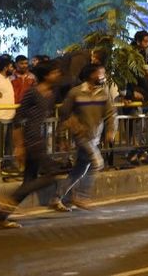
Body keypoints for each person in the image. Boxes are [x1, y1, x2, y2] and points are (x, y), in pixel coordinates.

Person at [0, 61, 62, 229]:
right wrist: (19, 146)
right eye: (55, 72)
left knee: (29, 181)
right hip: (31, 139)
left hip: (40, 139)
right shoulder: (32, 92)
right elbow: (18, 119)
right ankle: (5, 199)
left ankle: (1, 217)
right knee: (52, 173)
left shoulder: (52, 93)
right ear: (46, 75)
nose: (58, 75)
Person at [50, 64, 116, 212]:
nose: (103, 76)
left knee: (79, 169)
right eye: (101, 73)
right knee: (97, 163)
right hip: (81, 135)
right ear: (92, 74)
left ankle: (56, 197)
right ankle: (80, 196)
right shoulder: (75, 93)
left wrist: (111, 130)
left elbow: (111, 114)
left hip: (95, 137)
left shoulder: (103, 93)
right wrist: (61, 137)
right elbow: (64, 114)